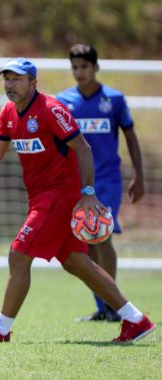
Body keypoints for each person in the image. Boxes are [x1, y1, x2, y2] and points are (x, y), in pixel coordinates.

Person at [0, 58, 155, 343]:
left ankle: (0, 329)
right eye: (7, 79)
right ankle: (136, 320)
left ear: (33, 82)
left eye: (17, 79)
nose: (10, 84)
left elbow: (83, 148)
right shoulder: (8, 112)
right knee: (76, 263)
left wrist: (88, 194)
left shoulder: (52, 109)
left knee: (18, 254)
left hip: (60, 196)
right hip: (39, 196)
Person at [56, 44, 145, 323]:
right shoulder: (63, 101)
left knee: (102, 236)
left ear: (96, 67)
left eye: (84, 66)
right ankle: (104, 306)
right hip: (76, 182)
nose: (79, 72)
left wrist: (139, 176)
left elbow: (130, 137)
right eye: (75, 67)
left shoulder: (114, 100)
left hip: (106, 179)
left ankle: (115, 305)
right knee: (87, 242)